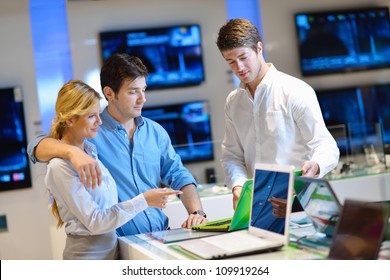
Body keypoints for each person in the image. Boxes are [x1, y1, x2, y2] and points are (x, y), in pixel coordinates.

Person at [28, 54, 207, 237]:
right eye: (133, 92)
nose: (142, 99)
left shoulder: (156, 132)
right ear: (109, 93)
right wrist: (72, 152)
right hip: (121, 245)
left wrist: (196, 212)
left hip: (162, 236)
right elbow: (35, 148)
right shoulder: (89, 133)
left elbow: (178, 174)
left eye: (143, 90)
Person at [216, 18, 340, 215]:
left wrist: (315, 165)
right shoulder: (233, 102)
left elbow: (325, 145)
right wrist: (238, 186)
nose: (238, 67)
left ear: (259, 48)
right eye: (231, 61)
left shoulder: (295, 91)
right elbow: (232, 155)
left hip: (300, 202)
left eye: (243, 57)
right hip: (259, 205)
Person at [46, 80, 182, 259]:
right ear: (71, 119)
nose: (99, 121)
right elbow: (96, 221)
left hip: (113, 252)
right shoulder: (59, 167)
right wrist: (144, 200)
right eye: (91, 116)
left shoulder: (91, 151)